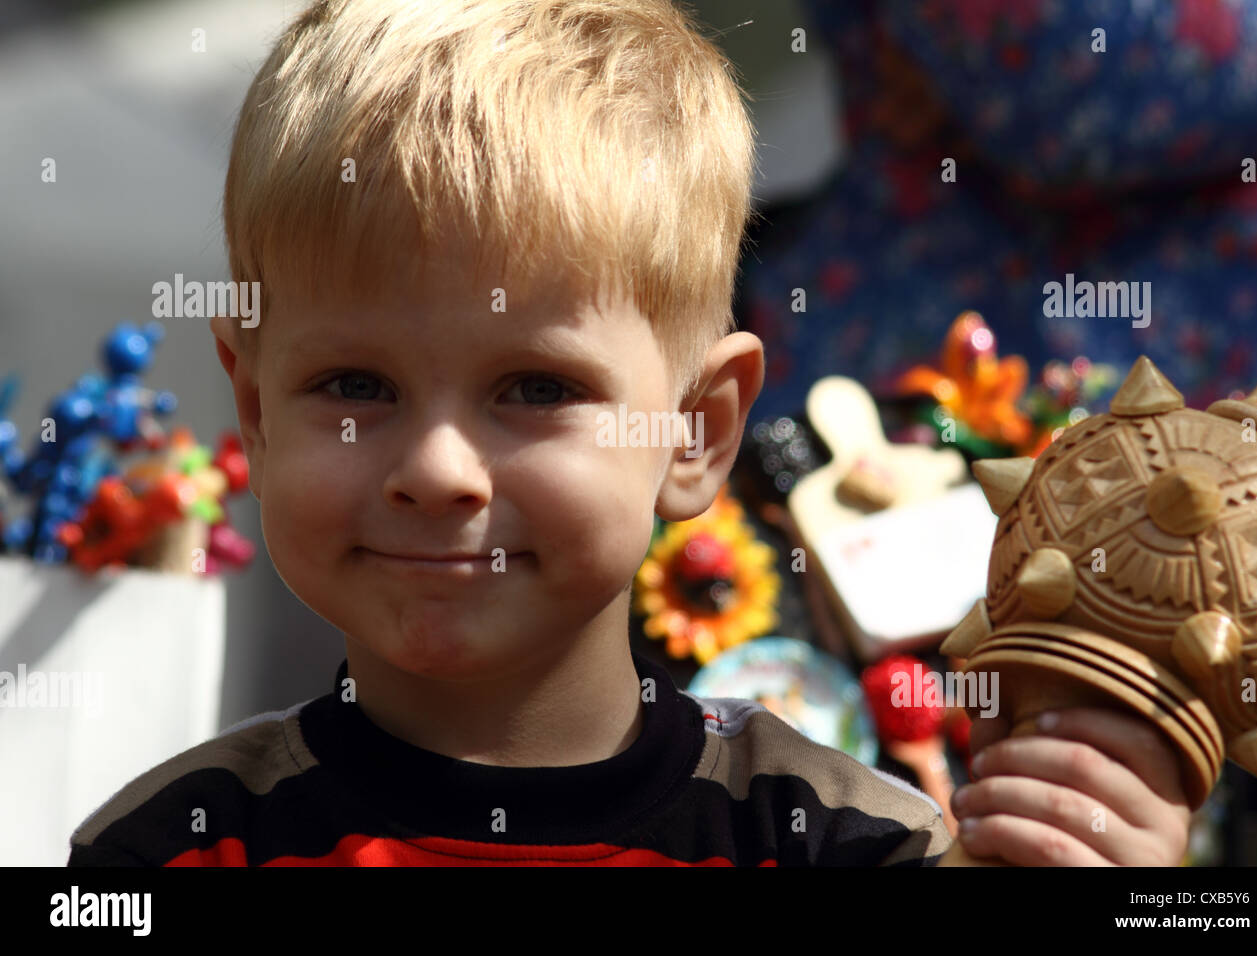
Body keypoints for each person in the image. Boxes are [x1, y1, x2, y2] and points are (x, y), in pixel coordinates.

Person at [68, 0, 1190, 866]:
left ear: (696, 428)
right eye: (355, 383)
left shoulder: (841, 844)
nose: (435, 470)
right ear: (255, 411)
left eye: (535, 389)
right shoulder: (163, 852)